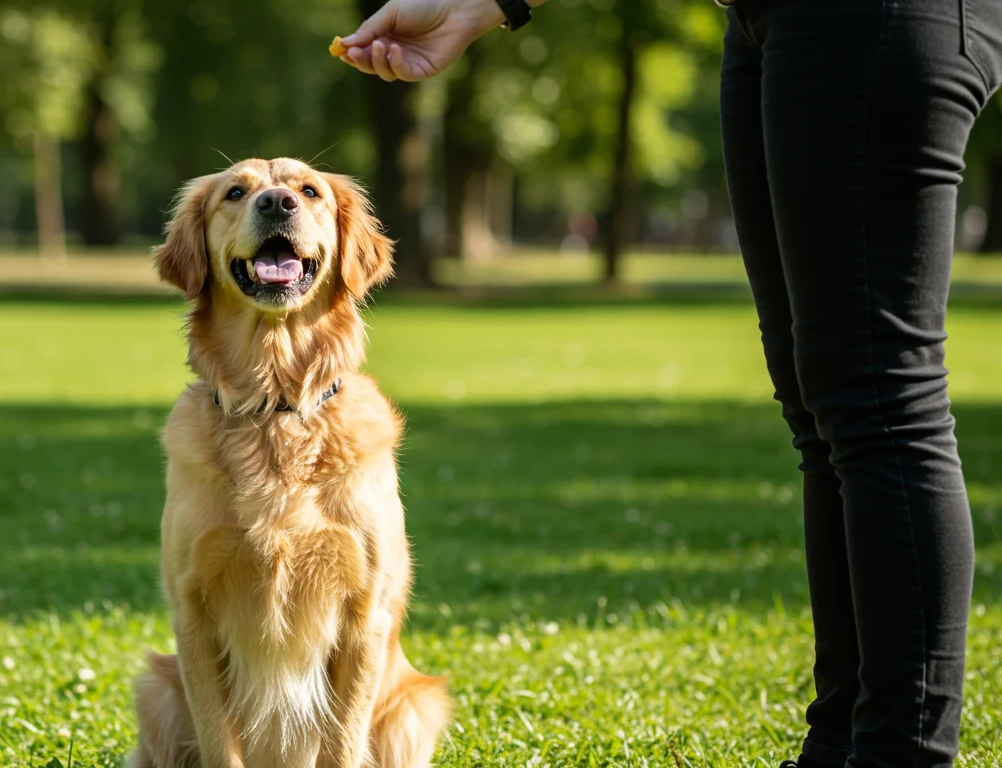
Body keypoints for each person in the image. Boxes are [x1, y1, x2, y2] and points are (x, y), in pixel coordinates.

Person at [338, 1, 1002, 767]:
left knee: (878, 401)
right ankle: (839, 744)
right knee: (822, 410)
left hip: (869, 15)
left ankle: (900, 754)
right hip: (769, 20)